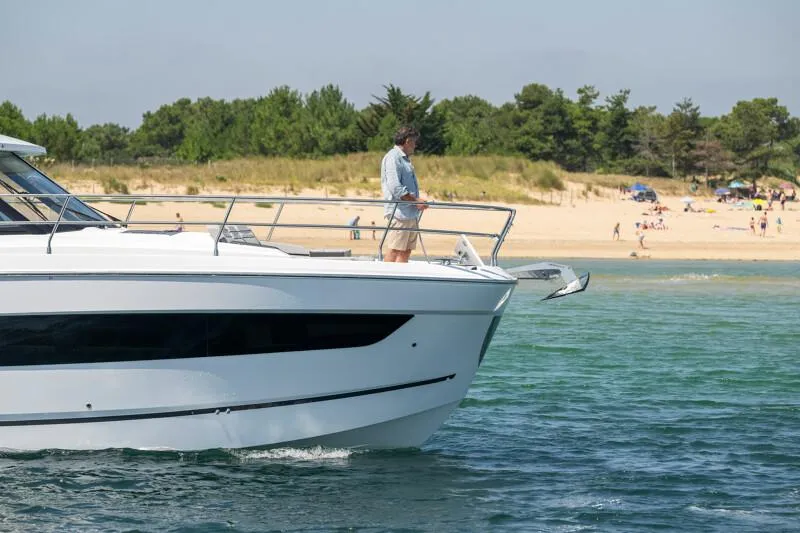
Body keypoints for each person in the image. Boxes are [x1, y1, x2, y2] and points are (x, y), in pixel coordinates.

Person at [380, 126, 428, 263]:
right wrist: (416, 201)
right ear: (407, 141)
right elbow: (395, 188)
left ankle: (401, 274)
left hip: (410, 213)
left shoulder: (405, 159)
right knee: (395, 249)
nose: (415, 145)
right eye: (414, 142)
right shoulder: (393, 157)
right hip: (399, 213)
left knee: (406, 250)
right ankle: (388, 275)